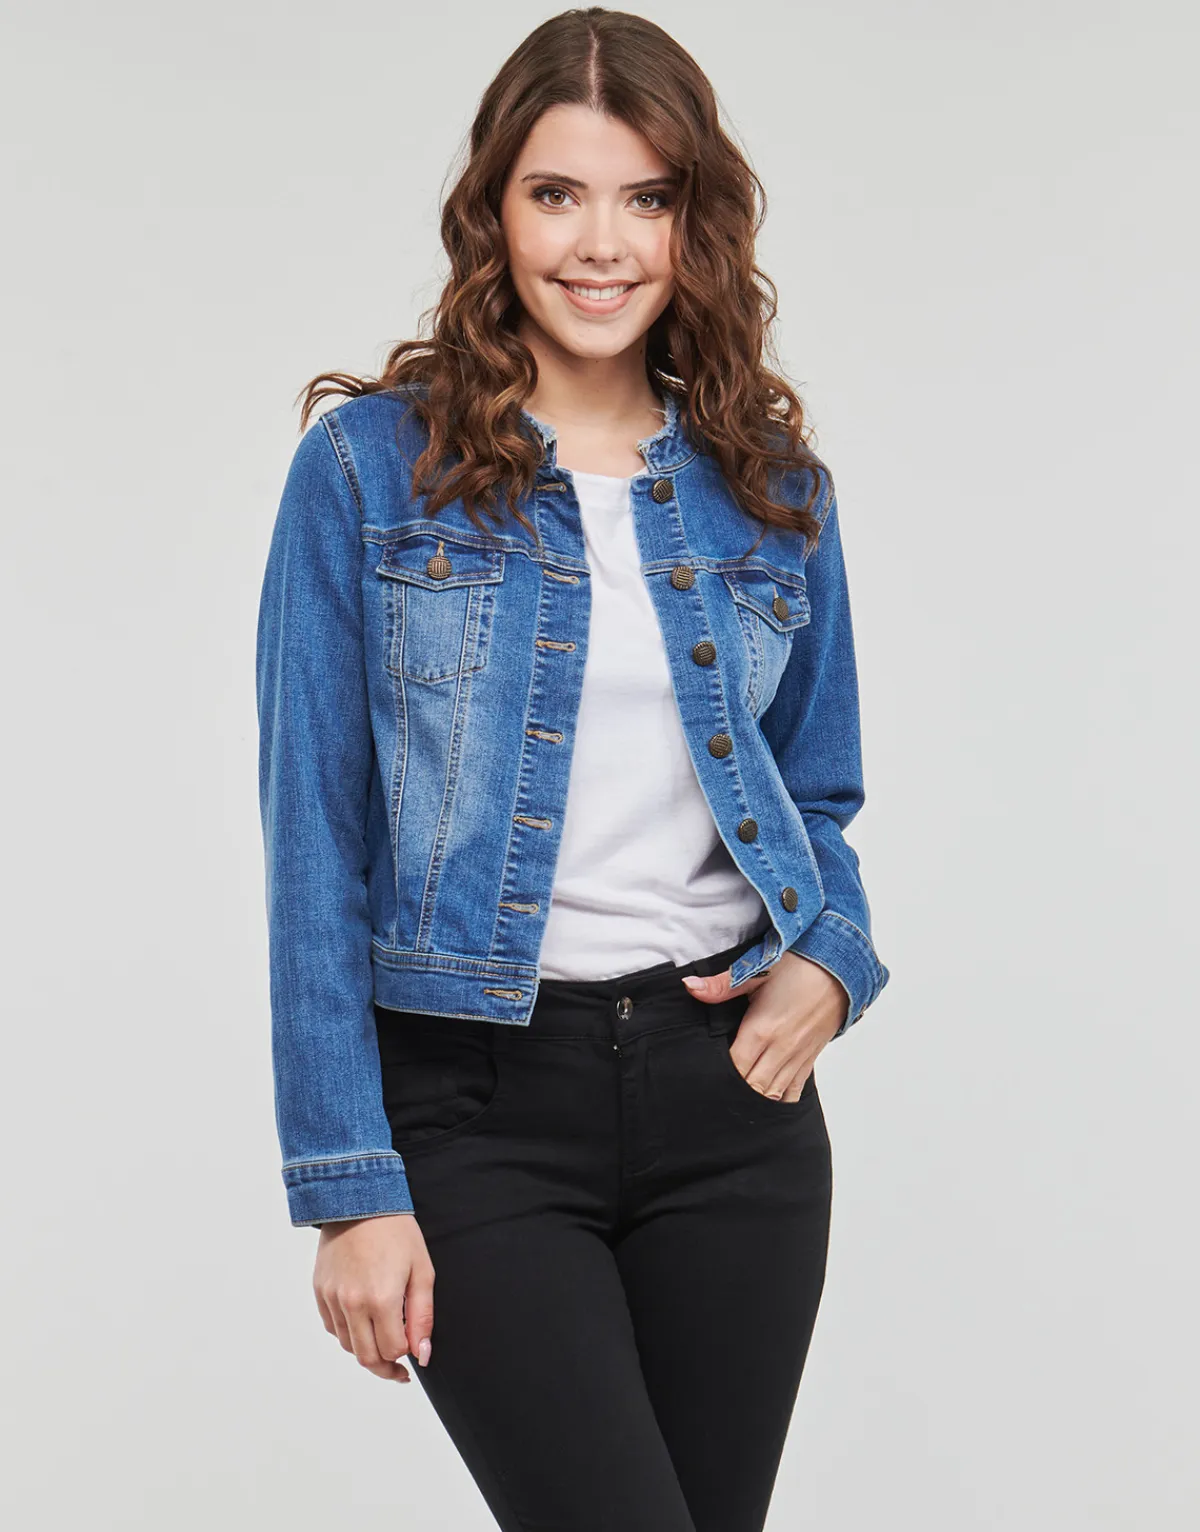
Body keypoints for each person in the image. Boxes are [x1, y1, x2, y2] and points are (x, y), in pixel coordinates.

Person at [255, 9, 890, 1530]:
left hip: (730, 1108)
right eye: (558, 194)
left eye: (645, 198)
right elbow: (313, 838)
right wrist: (349, 1180)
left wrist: (833, 959)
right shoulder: (369, 470)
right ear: (495, 211)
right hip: (477, 1105)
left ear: (695, 225)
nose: (601, 244)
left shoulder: (770, 490)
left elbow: (816, 794)